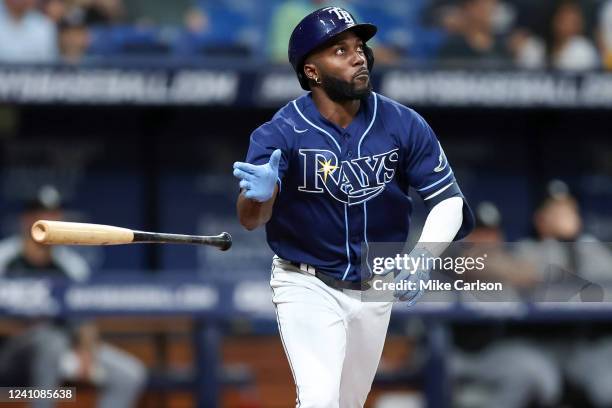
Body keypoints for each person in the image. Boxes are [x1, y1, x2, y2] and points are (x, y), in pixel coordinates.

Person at [233, 7, 473, 407]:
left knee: (348, 402)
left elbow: (447, 199)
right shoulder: (280, 132)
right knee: (319, 400)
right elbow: (251, 220)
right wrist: (259, 195)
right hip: (306, 281)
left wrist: (424, 255)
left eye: (359, 47)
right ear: (312, 71)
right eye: (340, 51)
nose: (358, 56)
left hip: (375, 284)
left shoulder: (403, 123)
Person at [0, 186, 146, 408]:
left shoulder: (71, 266)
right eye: (41, 215)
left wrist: (86, 351)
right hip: (9, 356)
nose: (49, 222)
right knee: (49, 341)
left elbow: (84, 318)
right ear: (26, 219)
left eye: (54, 215)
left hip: (61, 350)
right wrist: (30, 330)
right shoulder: (4, 258)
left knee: (128, 374)